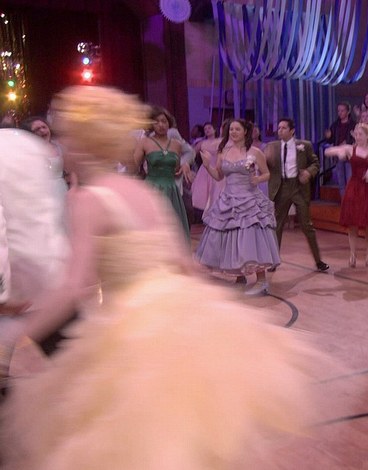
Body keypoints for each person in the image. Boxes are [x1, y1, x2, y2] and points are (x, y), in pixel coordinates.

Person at [0, 86, 321, 468]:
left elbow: (73, 287)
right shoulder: (141, 192)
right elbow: (185, 264)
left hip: (130, 329)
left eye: (66, 136)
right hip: (173, 317)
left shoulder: (86, 200)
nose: (61, 145)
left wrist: (22, 330)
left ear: (83, 144)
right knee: (177, 434)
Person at [0, 129, 68, 358]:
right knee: (68, 354)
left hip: (16, 282)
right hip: (53, 267)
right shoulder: (24, 141)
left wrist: (1, 296)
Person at [194, 119, 280, 295]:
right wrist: (207, 165)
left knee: (251, 238)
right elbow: (218, 176)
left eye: (237, 129)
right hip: (229, 199)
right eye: (231, 129)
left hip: (249, 199)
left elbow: (267, 174)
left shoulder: (255, 152)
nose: (233, 132)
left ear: (245, 132)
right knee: (232, 236)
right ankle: (240, 277)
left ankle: (261, 281)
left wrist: (258, 179)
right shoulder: (223, 152)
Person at [265, 118, 329, 272]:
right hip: (281, 187)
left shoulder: (304, 146)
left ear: (292, 130)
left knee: (307, 225)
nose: (280, 130)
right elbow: (265, 165)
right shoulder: (272, 146)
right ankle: (274, 260)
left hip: (299, 187)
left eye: (283, 128)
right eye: (279, 128)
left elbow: (315, 163)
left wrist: (308, 172)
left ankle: (318, 260)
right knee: (277, 225)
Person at [324, 123, 368, 268]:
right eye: (356, 134)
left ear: (367, 135)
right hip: (354, 187)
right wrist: (339, 152)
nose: (357, 137)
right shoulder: (351, 148)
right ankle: (352, 254)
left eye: (360, 134)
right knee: (352, 223)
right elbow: (328, 151)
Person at [133, 106, 190, 238]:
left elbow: (176, 168)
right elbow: (134, 166)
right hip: (151, 189)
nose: (161, 125)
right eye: (156, 122)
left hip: (171, 189)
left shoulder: (177, 144)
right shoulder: (144, 142)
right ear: (151, 125)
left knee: (174, 230)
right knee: (153, 228)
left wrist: (185, 165)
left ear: (169, 123)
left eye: (164, 121)